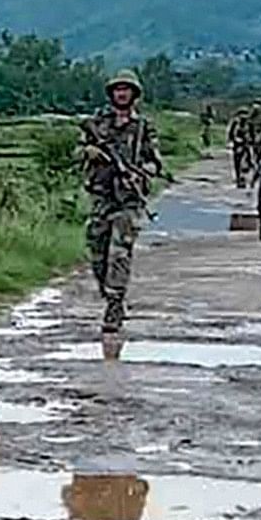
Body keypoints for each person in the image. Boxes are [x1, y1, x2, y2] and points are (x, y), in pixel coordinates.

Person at [75, 70, 165, 351]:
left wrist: (140, 174)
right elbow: (77, 151)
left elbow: (155, 162)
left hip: (128, 200)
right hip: (102, 196)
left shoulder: (143, 128)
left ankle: (114, 306)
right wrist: (89, 153)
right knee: (98, 253)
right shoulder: (97, 124)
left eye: (127, 90)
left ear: (134, 94)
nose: (122, 94)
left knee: (119, 253)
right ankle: (111, 295)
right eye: (118, 89)